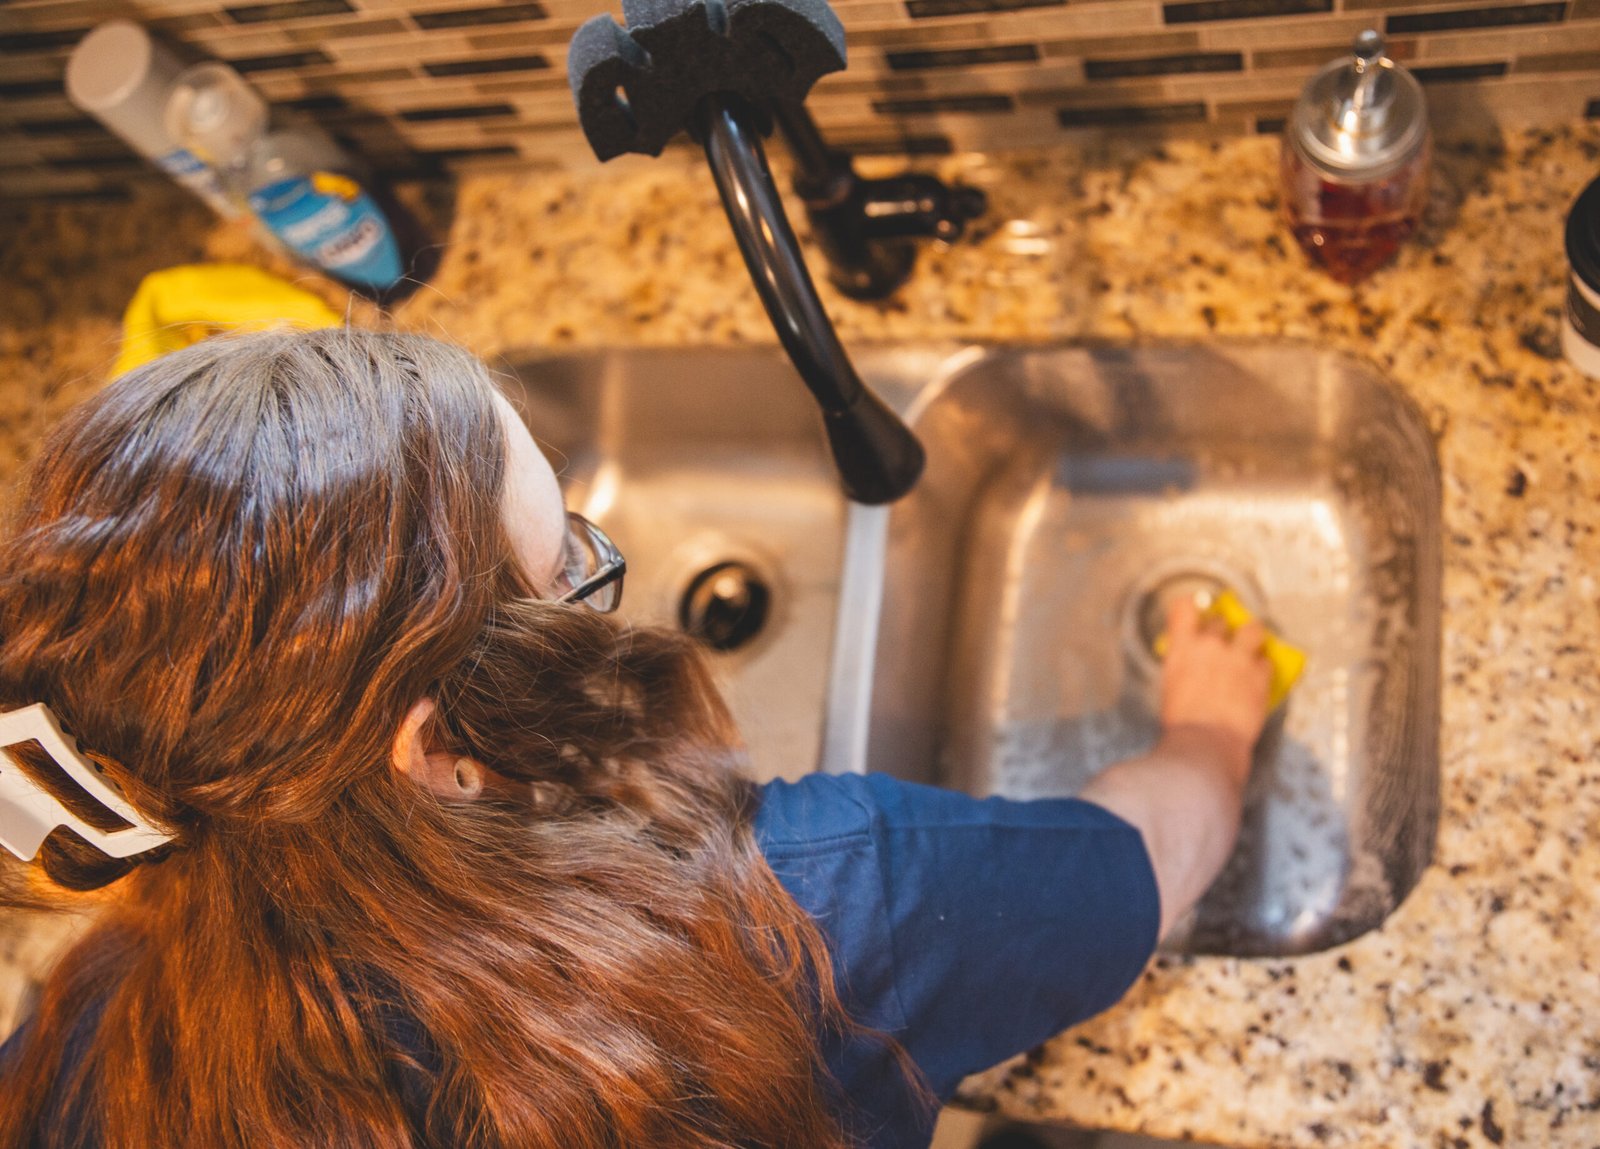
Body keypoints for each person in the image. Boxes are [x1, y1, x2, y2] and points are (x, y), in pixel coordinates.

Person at [0, 329, 1269, 1149]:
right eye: (568, 573)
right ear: (432, 749)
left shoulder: (78, 1050)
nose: (596, 580)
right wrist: (1209, 732)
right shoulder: (810, 916)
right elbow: (1147, 860)